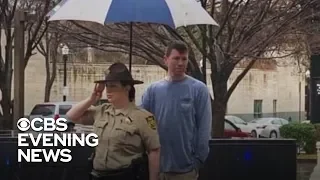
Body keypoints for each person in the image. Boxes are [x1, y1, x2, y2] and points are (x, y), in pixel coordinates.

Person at [66, 62, 161, 180]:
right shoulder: (102, 111)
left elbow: (154, 151)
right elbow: (71, 116)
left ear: (127, 87)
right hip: (97, 175)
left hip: (126, 176)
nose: (108, 90)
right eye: (107, 86)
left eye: (113, 86)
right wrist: (92, 99)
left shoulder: (143, 117)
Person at [141, 41, 212, 180]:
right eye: (176, 58)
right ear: (166, 59)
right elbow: (142, 123)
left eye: (184, 59)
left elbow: (204, 128)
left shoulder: (198, 89)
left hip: (186, 169)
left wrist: (197, 161)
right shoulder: (152, 91)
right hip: (157, 168)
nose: (180, 63)